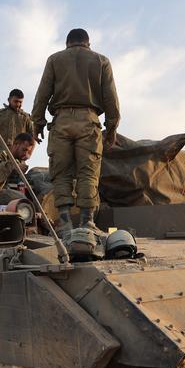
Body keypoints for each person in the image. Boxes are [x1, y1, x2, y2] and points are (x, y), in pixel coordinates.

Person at [31, 28, 120, 234]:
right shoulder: (101, 61)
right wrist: (112, 127)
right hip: (89, 121)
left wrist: (37, 124)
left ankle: (64, 221)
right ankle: (87, 221)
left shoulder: (54, 60)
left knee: (60, 173)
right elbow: (111, 99)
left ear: (67, 43)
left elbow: (42, 94)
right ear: (88, 43)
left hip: (61, 121)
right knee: (88, 173)